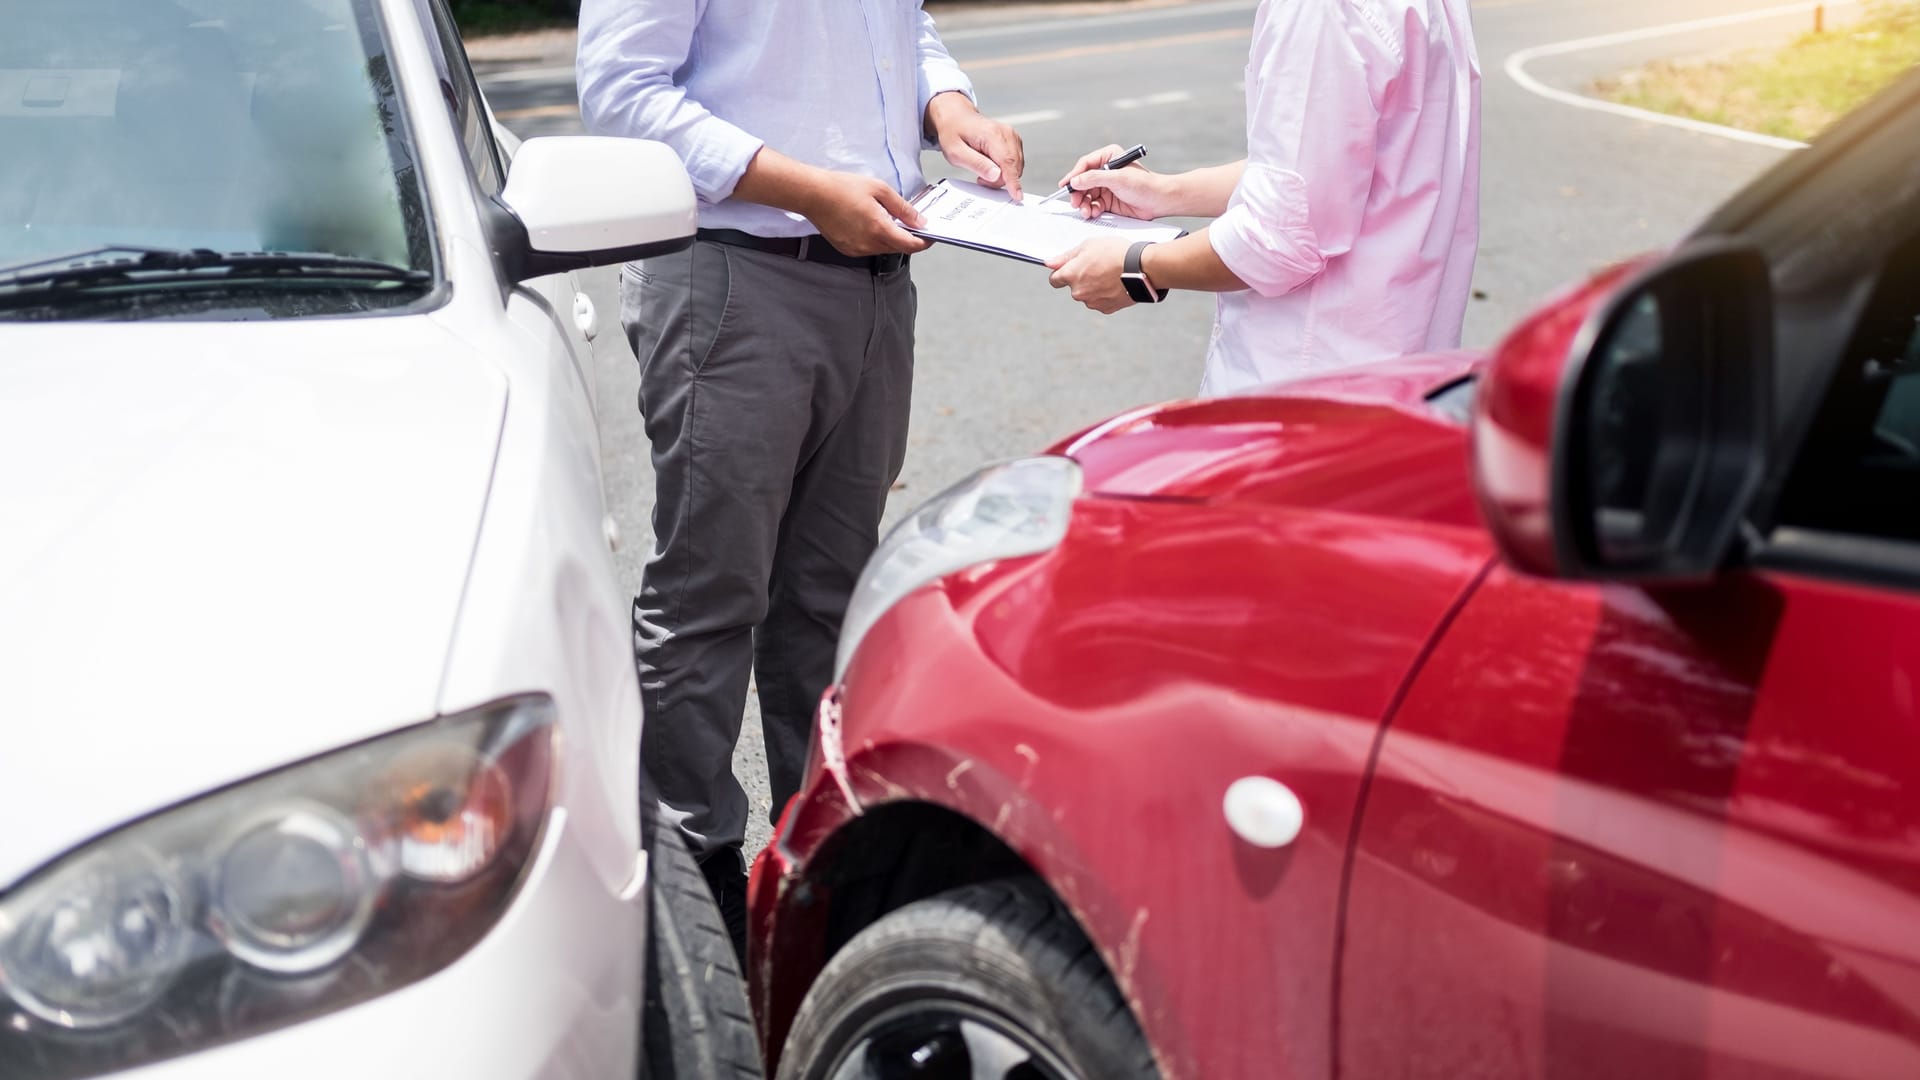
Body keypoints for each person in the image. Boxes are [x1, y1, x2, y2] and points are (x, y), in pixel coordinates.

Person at [575, 2, 1024, 959]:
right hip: (735, 275)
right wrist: (803, 186)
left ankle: (821, 867)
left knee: (830, 597)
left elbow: (902, 33)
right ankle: (697, 891)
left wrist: (948, 108)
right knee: (712, 593)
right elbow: (620, 92)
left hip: (871, 281)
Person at [1046, 0, 1480, 397]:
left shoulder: (1317, 11)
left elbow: (1278, 238)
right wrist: (1165, 192)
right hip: (1403, 373)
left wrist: (1137, 268)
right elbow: (1326, 171)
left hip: (1311, 389)